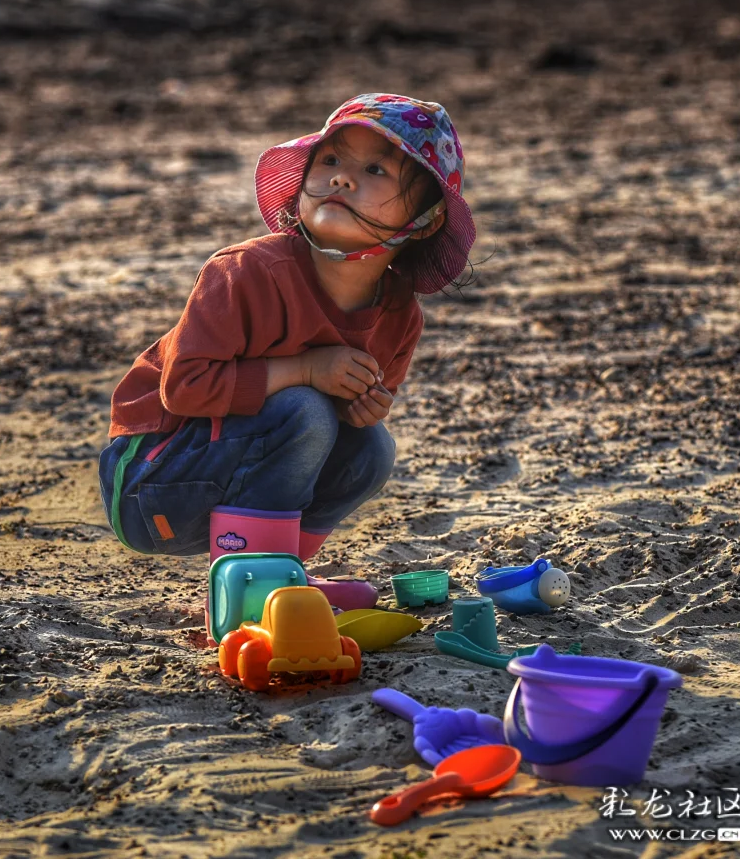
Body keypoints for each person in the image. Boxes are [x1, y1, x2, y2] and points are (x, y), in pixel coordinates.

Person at [98, 92, 477, 604]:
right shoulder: (245, 272)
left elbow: (339, 423)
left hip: (233, 483)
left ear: (426, 219)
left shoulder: (398, 314)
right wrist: (305, 369)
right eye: (330, 161)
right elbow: (184, 389)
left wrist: (364, 406)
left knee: (372, 447)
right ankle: (249, 590)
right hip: (151, 481)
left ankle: (279, 572)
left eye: (375, 170)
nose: (342, 178)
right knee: (303, 408)